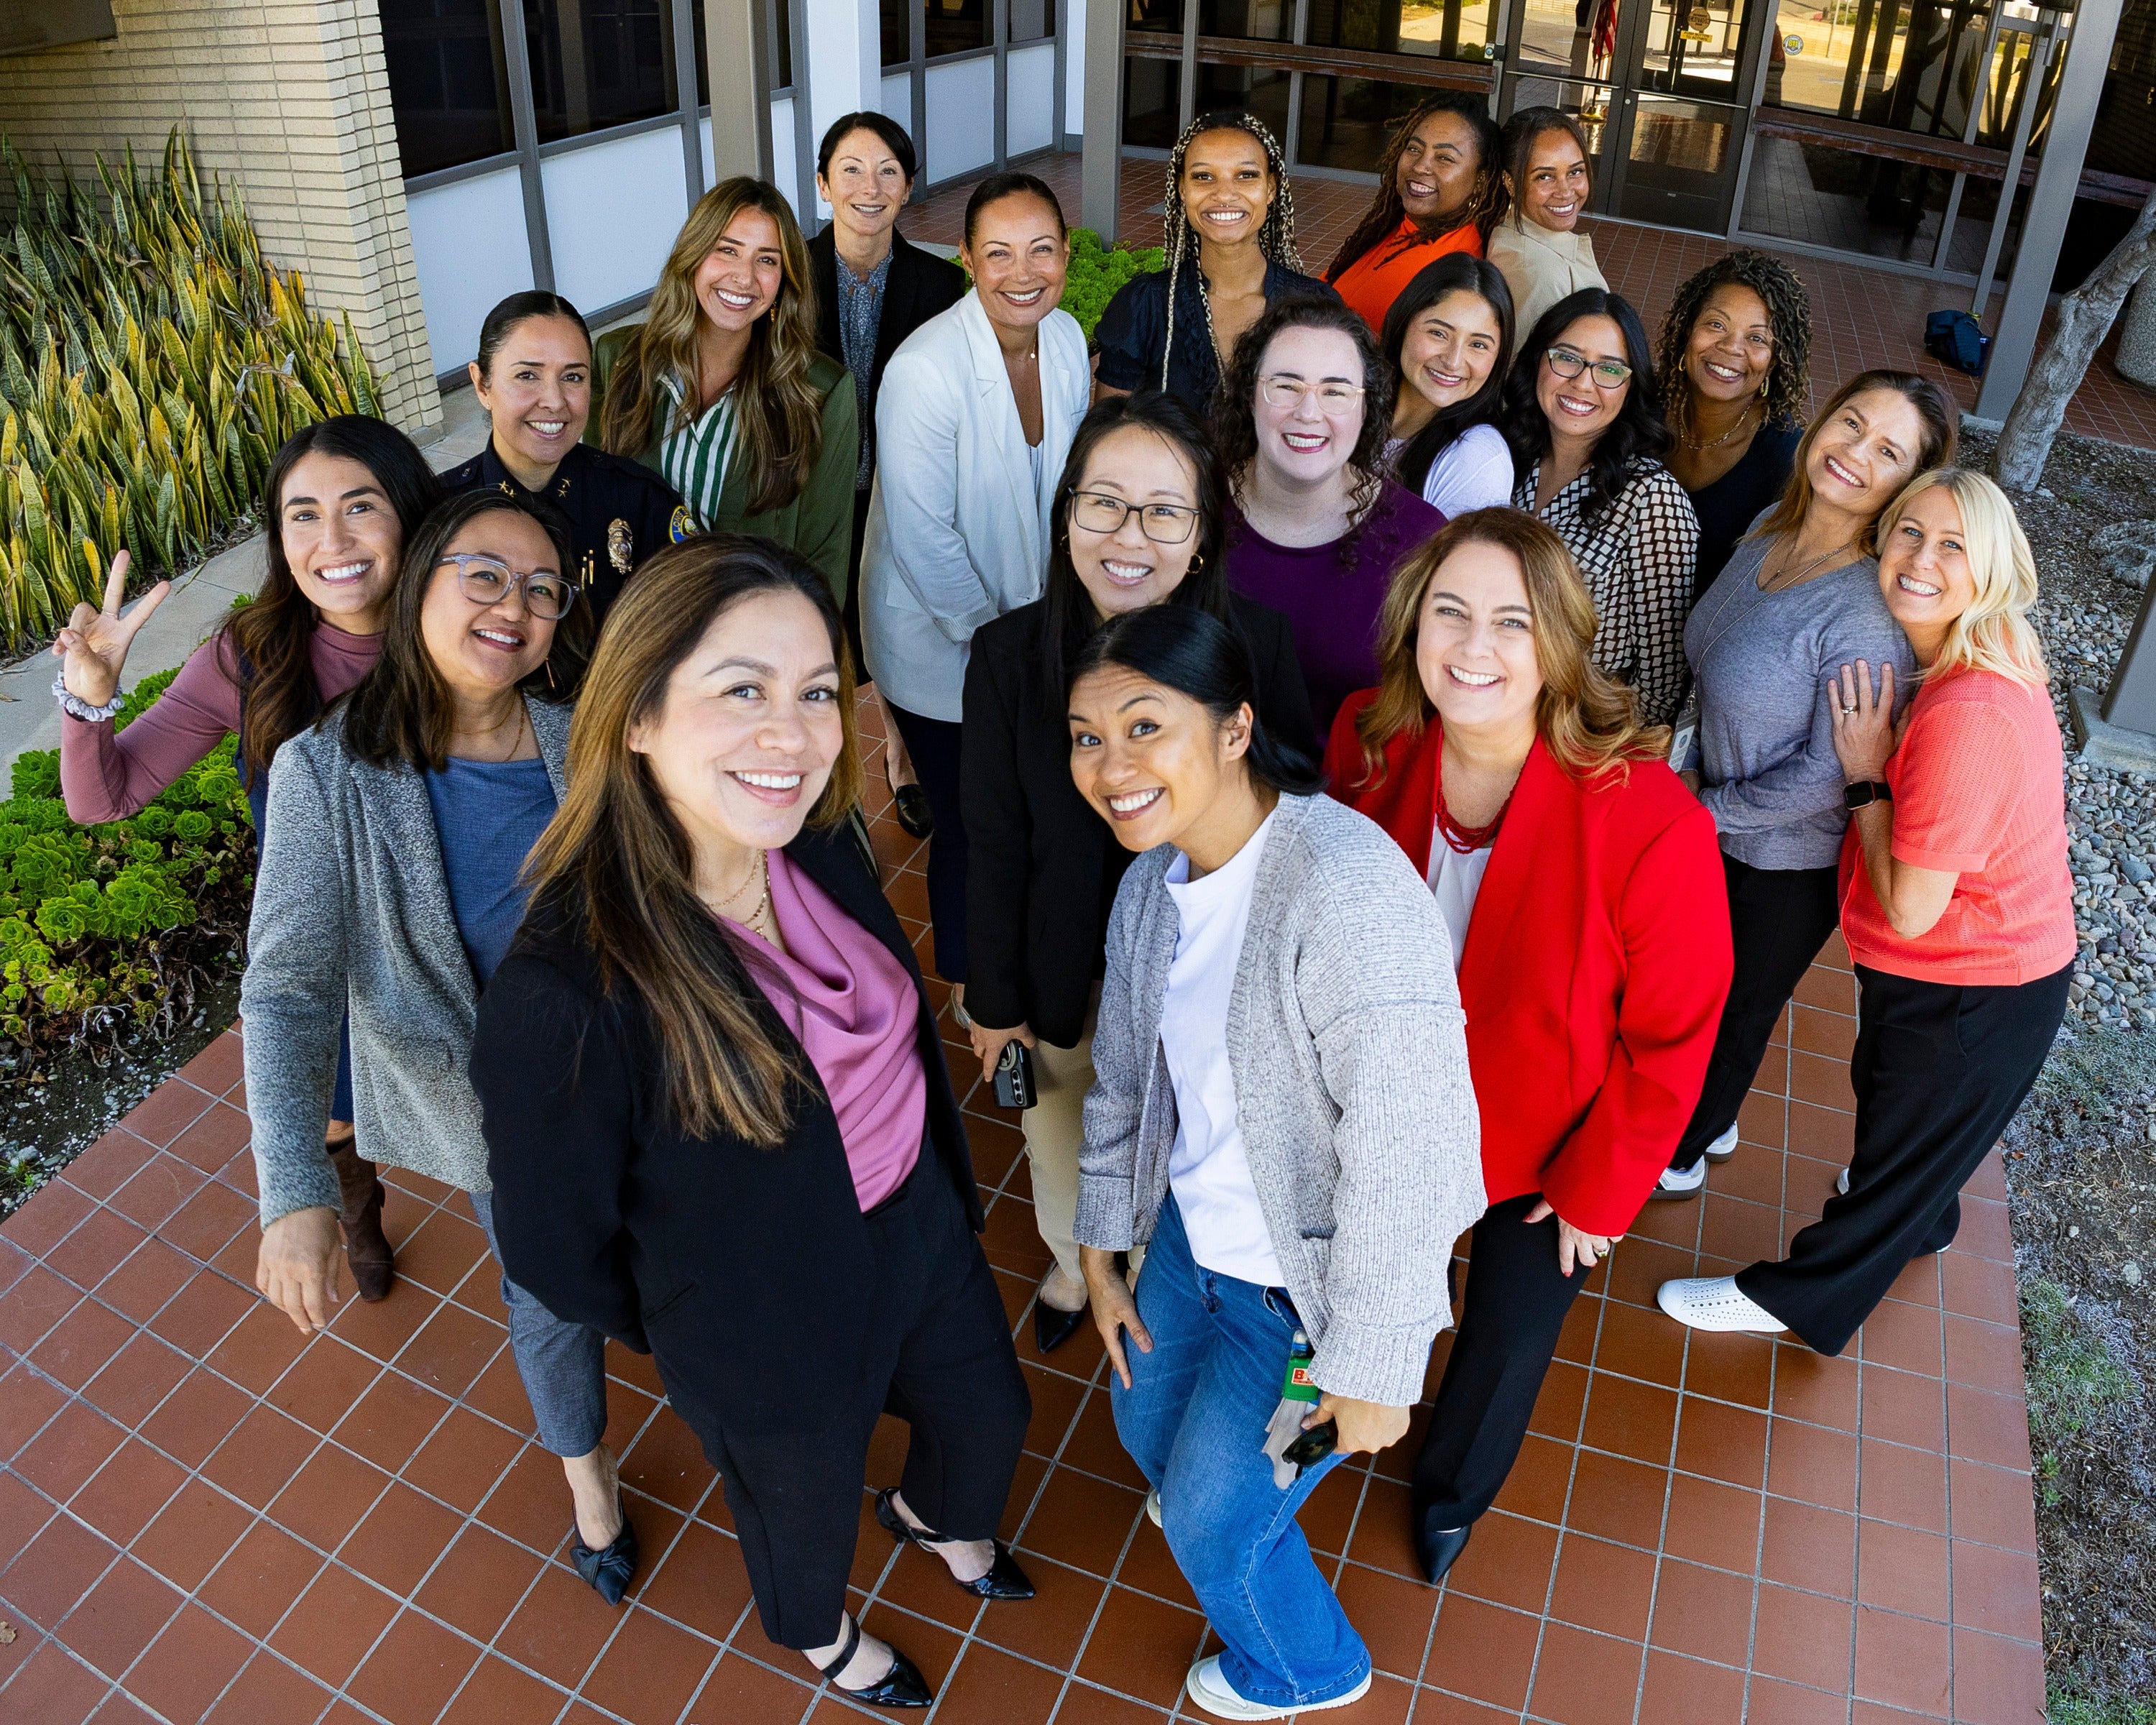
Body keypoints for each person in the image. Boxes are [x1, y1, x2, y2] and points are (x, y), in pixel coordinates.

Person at [470, 536, 1033, 1709]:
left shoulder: (814, 838)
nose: (794, 733)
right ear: (634, 718)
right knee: (802, 1514)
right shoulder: (566, 993)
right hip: (761, 1319)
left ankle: (935, 1516)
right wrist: (693, 1318)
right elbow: (554, 1255)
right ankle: (819, 1637)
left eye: (818, 691)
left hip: (917, 1227)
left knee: (990, 1413)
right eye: (742, 691)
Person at [1071, 603, 1483, 1721]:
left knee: (1209, 1521)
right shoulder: (1149, 884)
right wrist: (1103, 1250)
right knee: (1141, 1428)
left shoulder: (1340, 892)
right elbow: (1125, 1080)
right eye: (1087, 736)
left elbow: (1412, 1147)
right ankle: (1222, 1496)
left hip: (1303, 1296)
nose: (1113, 768)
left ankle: (1308, 1669)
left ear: (1237, 727)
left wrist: (1378, 1365)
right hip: (1192, 1247)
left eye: (1145, 726)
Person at [240, 489, 638, 1604]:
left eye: (542, 589)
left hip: (629, 1083)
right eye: (485, 575)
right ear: (422, 583)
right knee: (545, 1292)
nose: (514, 605)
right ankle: (590, 1479)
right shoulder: (327, 772)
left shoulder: (586, 745)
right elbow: (286, 987)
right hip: (491, 1113)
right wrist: (294, 1189)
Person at [1324, 508, 1731, 1584]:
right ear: (1414, 624)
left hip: (1544, 1148)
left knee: (1503, 1335)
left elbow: (1676, 1035)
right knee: (1344, 1270)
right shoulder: (1370, 736)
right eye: (1450, 612)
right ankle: (1337, 1399)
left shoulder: (1651, 818)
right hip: (1385, 1106)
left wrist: (1600, 1191)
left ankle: (1451, 1492)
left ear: (1560, 643)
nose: (1474, 646)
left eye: (1513, 622)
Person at [1659, 469, 2075, 1354]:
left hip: (1971, 983)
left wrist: (1864, 770)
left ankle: (1797, 1298)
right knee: (1902, 1125)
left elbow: (1914, 907)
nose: (1920, 559)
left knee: (1889, 1167)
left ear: (1995, 565)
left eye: (1953, 545)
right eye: (1909, 533)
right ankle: (1924, 1210)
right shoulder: (1980, 646)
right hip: (1969, 974)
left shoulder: (1969, 712)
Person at [55, 416, 443, 1303]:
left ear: (410, 512)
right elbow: (102, 798)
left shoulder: (457, 630)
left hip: (454, 935)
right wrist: (86, 704)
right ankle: (358, 1206)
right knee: (336, 1109)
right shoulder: (251, 656)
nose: (331, 541)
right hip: (331, 956)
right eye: (301, 515)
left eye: (360, 506)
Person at [961, 392, 1317, 1355]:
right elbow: (986, 839)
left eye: (1165, 510)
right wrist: (993, 997)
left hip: (1213, 979)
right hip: (1064, 976)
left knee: (1194, 1144)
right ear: (1066, 513)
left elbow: (1296, 820)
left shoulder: (1259, 647)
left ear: (1201, 537)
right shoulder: (1005, 658)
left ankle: (1159, 1273)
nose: (1131, 536)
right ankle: (1077, 1259)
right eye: (1104, 503)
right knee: (1066, 1143)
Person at [1658, 372, 1956, 1202]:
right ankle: (1703, 1117)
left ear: (1909, 486)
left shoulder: (1864, 617)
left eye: (1888, 451)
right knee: (1680, 995)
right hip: (1709, 825)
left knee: (1730, 1017)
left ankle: (1683, 1151)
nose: (1856, 453)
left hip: (1779, 866)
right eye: (1852, 423)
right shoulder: (1767, 527)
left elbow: (1826, 780)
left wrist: (1695, 812)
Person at [861, 171, 1091, 999]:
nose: (1021, 271)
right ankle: (970, 986)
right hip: (939, 642)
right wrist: (1012, 656)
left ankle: (1019, 956)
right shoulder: (924, 370)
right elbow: (926, 541)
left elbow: (1063, 493)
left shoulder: (1063, 338)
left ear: (1066, 255)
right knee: (970, 822)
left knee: (1027, 811)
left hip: (1029, 632)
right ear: (965, 259)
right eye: (997, 253)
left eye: (1040, 250)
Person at [807, 111, 967, 840]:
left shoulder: (941, 283)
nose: (869, 188)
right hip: (813, 497)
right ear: (823, 184)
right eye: (851, 170)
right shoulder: (788, 279)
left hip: (903, 494)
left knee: (902, 630)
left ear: (907, 188)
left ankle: (903, 763)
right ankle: (824, 776)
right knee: (819, 639)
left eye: (887, 172)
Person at [592, 177, 857, 600]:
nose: (744, 277)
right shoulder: (617, 360)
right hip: (632, 627)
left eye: (767, 260)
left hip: (748, 640)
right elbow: (586, 509)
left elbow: (824, 556)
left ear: (784, 279)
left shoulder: (821, 391)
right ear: (694, 256)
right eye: (727, 250)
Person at [1215, 295, 1443, 735]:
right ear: (1249, 394)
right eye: (1286, 385)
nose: (1308, 412)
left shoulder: (1422, 538)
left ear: (1365, 408)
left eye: (1336, 391)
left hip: (1351, 796)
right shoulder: (1193, 509)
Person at [1503, 287, 1697, 726]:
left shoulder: (1652, 499)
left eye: (1610, 369)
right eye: (1567, 358)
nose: (1583, 383)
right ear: (1538, 361)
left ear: (1631, 386)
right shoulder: (1509, 460)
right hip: (1491, 713)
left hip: (1583, 741)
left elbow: (1661, 684)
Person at [442, 290, 690, 624]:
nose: (555, 401)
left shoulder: (640, 501)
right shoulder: (437, 511)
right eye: (527, 375)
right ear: (482, 385)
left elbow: (691, 620)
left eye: (573, 377)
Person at [1093, 111, 1337, 415]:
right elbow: (1109, 439)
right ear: (1183, 189)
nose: (1224, 194)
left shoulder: (1315, 307)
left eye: (1246, 175)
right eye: (1203, 176)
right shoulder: (1144, 307)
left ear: (1271, 189)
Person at [1654, 251, 1813, 594]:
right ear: (1687, 332)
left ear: (1774, 362)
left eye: (1757, 338)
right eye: (1716, 324)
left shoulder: (1787, 461)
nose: (1730, 347)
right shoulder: (1641, 406)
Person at [1323, 93, 1505, 336]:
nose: (1420, 166)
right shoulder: (1397, 227)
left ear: (1480, 180)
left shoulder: (1451, 272)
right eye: (1414, 149)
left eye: (1445, 158)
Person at [1378, 253, 1516, 518]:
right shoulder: (1354, 401)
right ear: (1403, 322)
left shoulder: (1476, 457)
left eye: (1478, 345)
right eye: (1439, 333)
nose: (1453, 362)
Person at [1486, 109, 1606, 357]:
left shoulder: (1514, 236)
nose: (1565, 191)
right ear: (1510, 182)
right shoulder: (1542, 275)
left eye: (1575, 172)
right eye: (1545, 177)